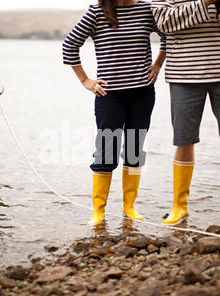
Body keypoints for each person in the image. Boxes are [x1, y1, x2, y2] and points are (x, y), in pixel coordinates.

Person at [151, 0, 220, 226]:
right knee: (184, 140)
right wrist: (206, 2)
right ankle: (179, 206)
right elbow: (164, 22)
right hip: (183, 75)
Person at [62, 0, 167, 225]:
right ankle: (99, 211)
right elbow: (70, 44)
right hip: (109, 97)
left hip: (142, 94)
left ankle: (129, 207)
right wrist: (85, 80)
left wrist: (158, 64)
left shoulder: (147, 9)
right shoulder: (98, 11)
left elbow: (169, 35)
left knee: (134, 150)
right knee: (106, 152)